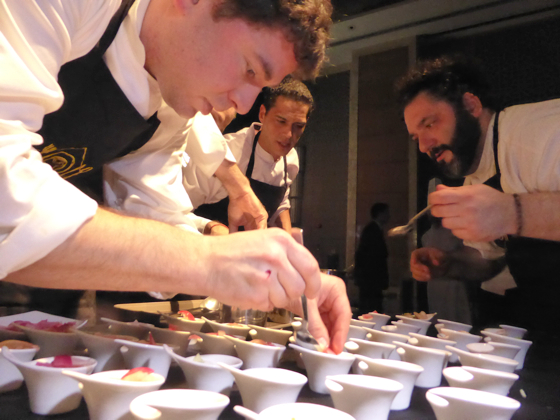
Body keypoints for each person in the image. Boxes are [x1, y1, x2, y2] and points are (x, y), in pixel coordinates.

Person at [0, 0, 351, 353]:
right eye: (250, 69)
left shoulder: (170, 111)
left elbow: (158, 220)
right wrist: (208, 262)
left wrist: (277, 278)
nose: (243, 105)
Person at [396, 55, 560, 333]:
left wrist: (511, 212)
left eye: (429, 124)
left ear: (470, 105)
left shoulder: (536, 132)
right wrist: (449, 264)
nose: (423, 146)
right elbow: (489, 259)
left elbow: (511, 214)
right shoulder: (473, 178)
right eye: (416, 137)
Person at [184, 76, 313, 232]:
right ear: (262, 114)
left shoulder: (291, 160)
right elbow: (173, 209)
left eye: (298, 126)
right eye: (281, 121)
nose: (288, 135)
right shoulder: (226, 154)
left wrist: (288, 237)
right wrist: (211, 228)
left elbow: (281, 202)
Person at [354, 203, 390, 314]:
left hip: (370, 278)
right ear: (380, 214)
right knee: (372, 308)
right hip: (371, 278)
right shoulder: (373, 230)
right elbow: (373, 256)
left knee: (371, 307)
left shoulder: (373, 229)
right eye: (386, 213)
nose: (388, 216)